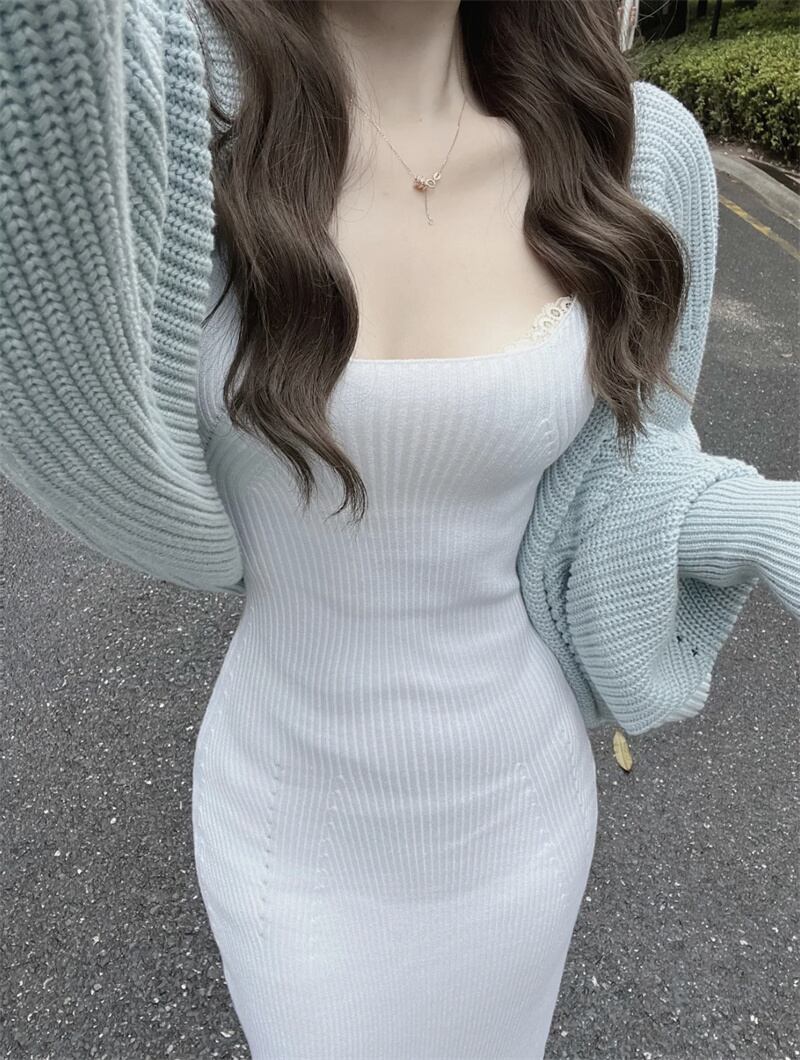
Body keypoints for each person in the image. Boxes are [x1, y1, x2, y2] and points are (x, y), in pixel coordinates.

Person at [1, 1, 797, 1057]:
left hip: (521, 813)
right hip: (289, 828)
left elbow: (627, 469)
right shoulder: (168, 122)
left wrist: (762, 519)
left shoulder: (629, 149)